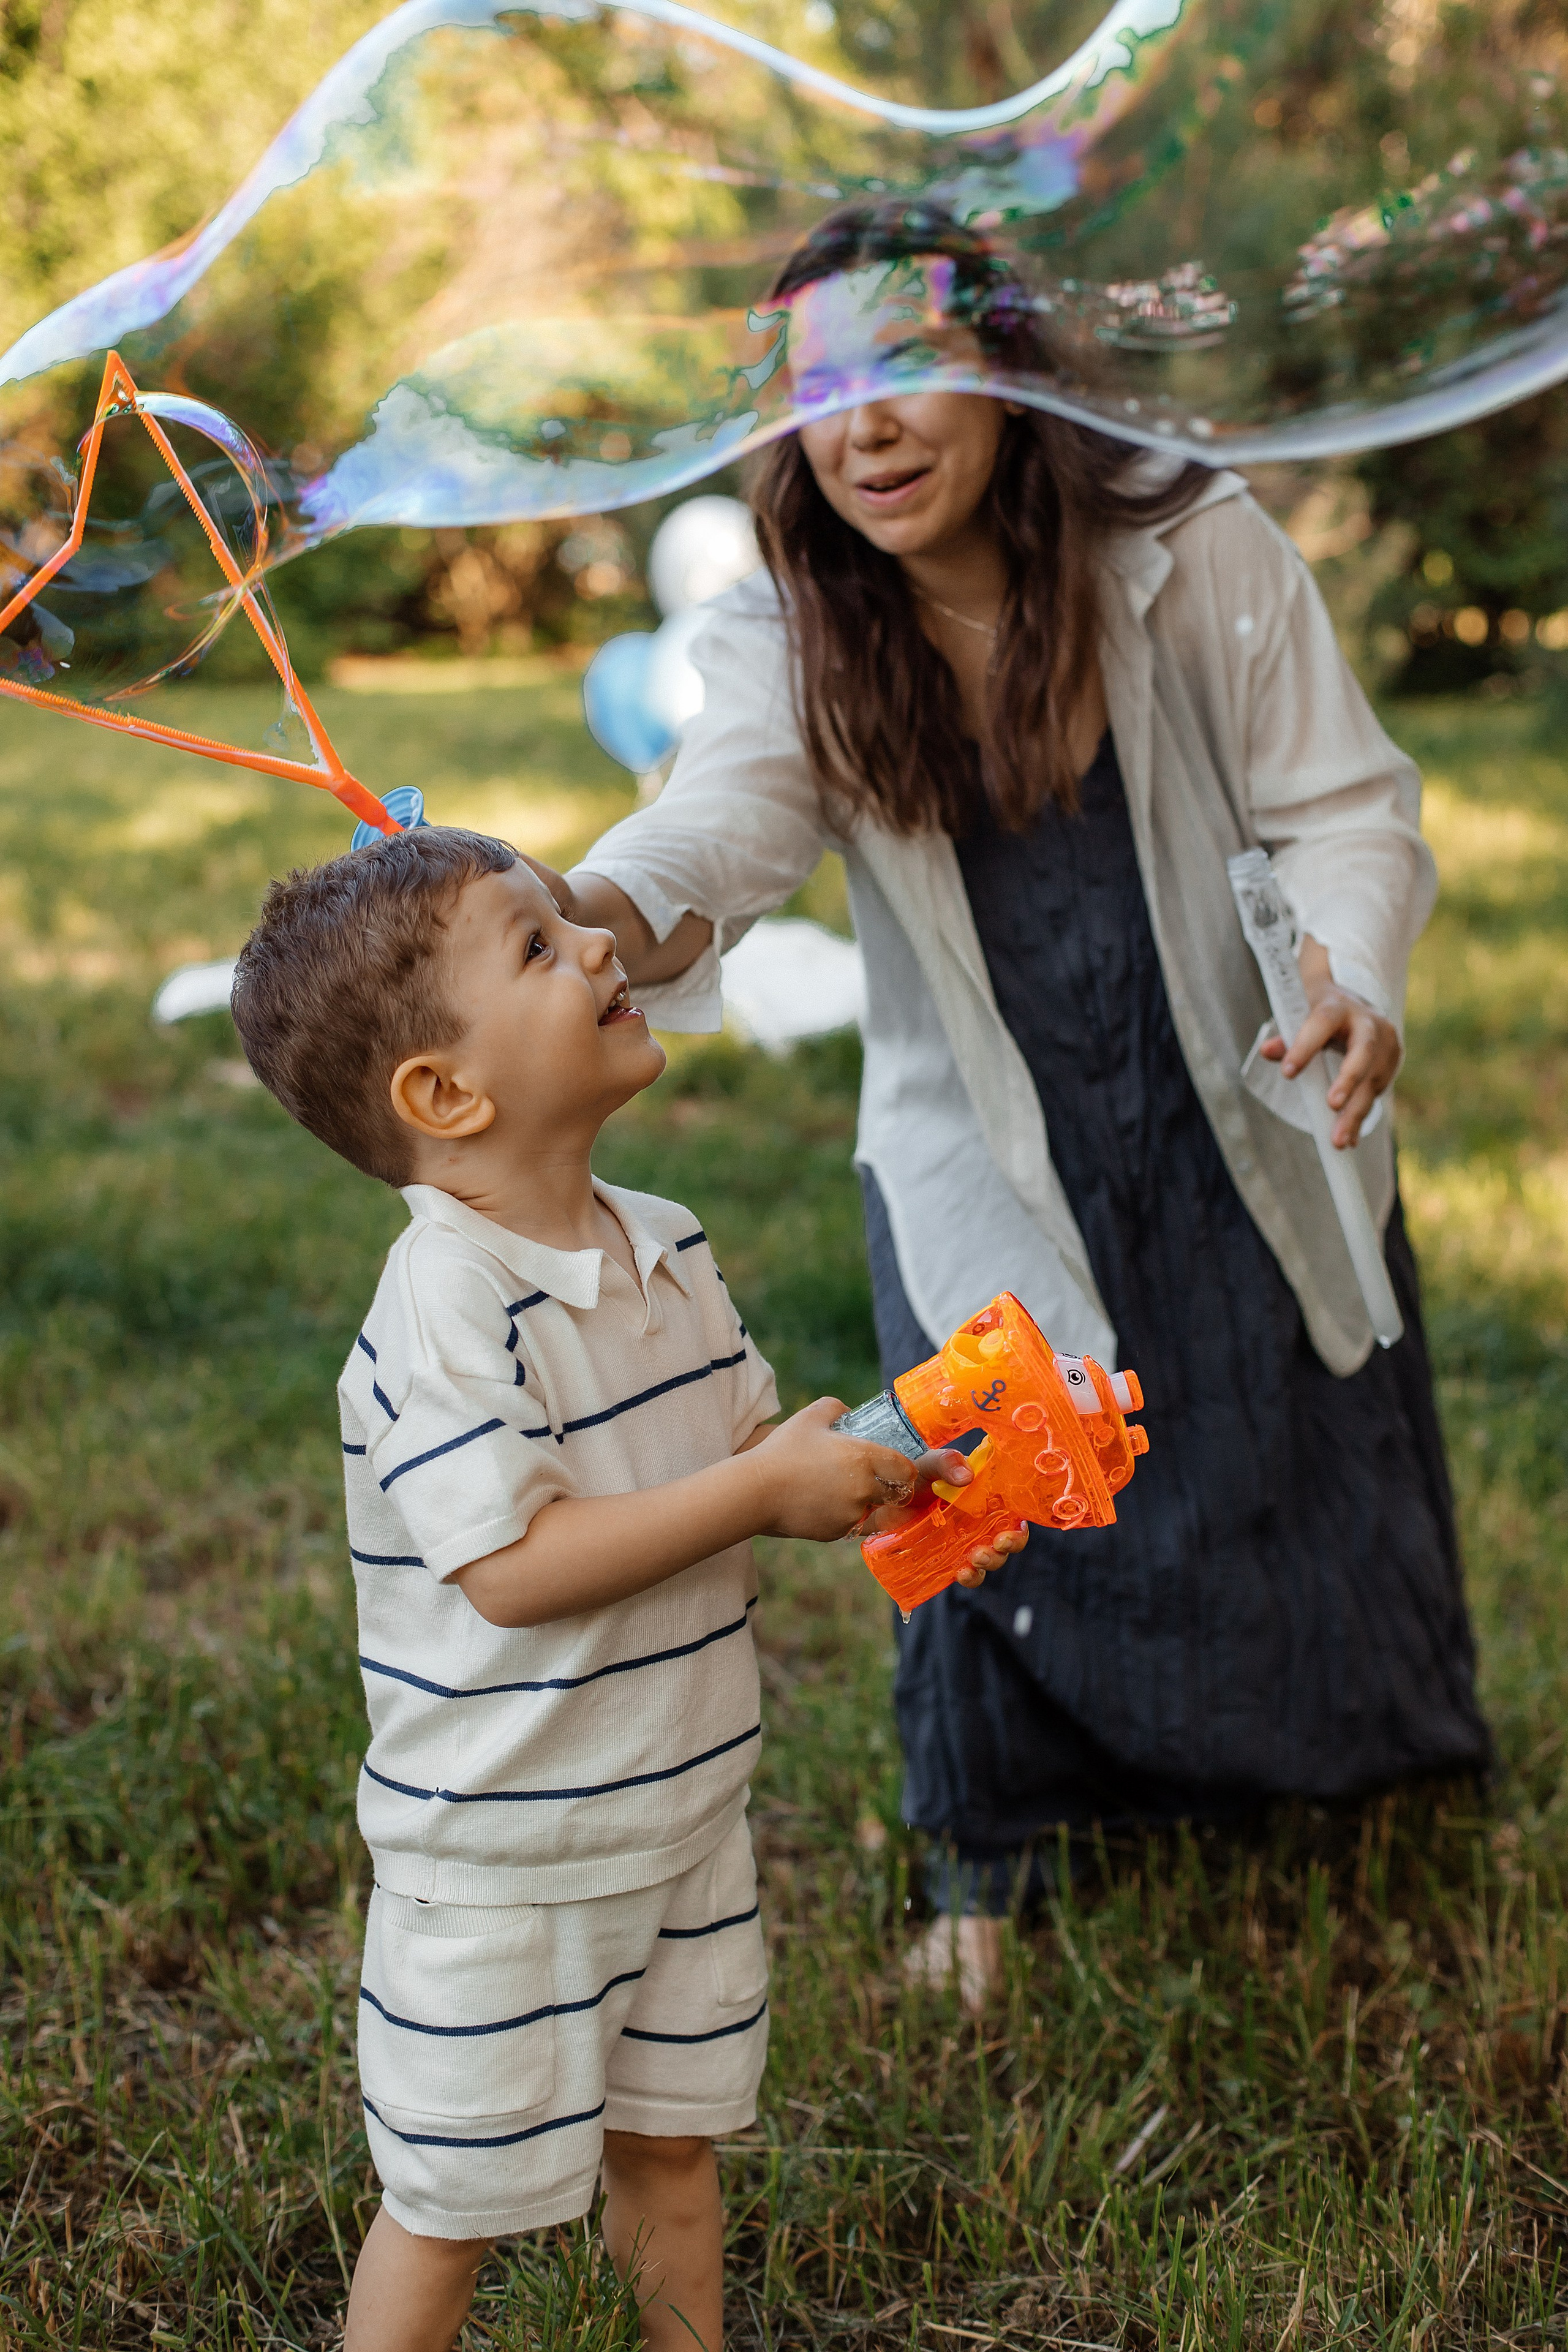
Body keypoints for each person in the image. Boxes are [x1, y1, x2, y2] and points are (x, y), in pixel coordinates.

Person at [547, 201, 1492, 2011]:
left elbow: (1348, 806)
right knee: (987, 1473)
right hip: (979, 1126)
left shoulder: (1192, 541)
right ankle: (990, 1853)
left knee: (1280, 1426)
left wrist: (1351, 977)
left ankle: (1337, 1777)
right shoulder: (791, 626)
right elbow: (720, 825)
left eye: (908, 373)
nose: (868, 428)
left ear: (1009, 379)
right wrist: (585, 909)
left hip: (1248, 1089)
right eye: (823, 391)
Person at [230, 824, 1009, 2352]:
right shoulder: (447, 1312)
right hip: (508, 1868)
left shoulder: (664, 1244)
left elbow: (733, 1453)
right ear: (444, 1096)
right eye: (534, 943)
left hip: (680, 1819)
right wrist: (753, 1491)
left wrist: (871, 1462)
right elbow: (514, 1571)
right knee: (453, 2202)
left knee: (673, 2155)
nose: (598, 941)